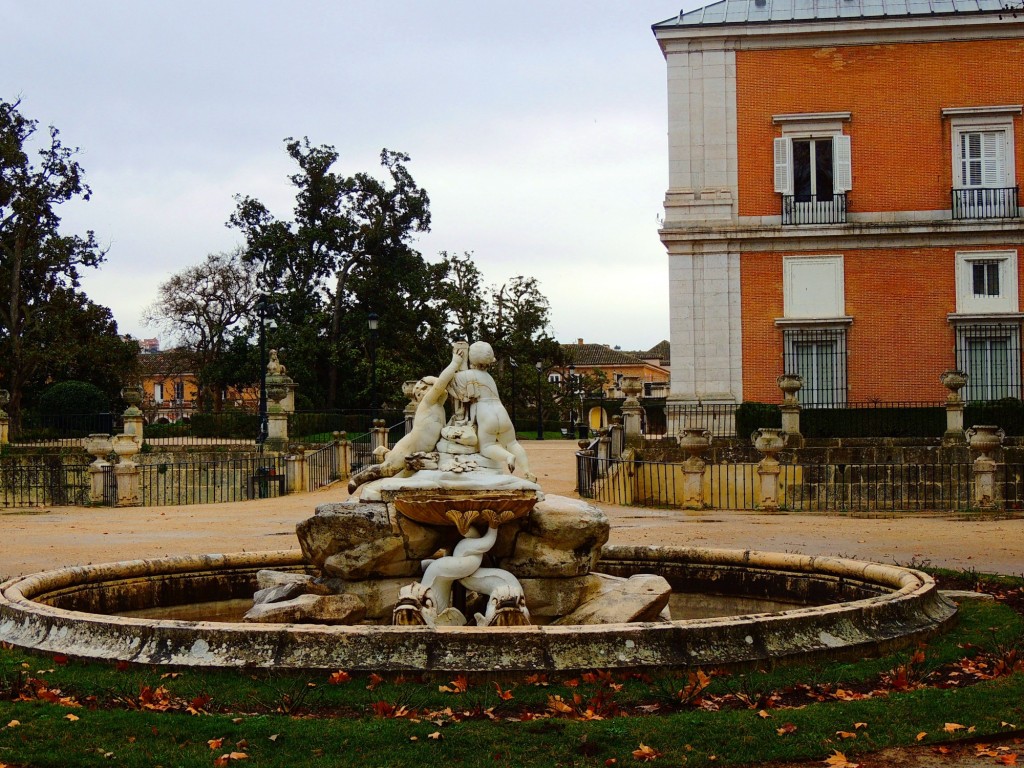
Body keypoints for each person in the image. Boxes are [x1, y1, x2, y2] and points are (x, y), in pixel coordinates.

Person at [348, 342, 468, 493]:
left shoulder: (438, 405)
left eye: (423, 389)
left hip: (419, 450)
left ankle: (384, 454)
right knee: (388, 469)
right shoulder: (427, 403)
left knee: (401, 475)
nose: (420, 393)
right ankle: (358, 479)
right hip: (408, 447)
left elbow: (443, 391)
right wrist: (455, 363)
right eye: (418, 393)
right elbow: (441, 384)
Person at [449, 341, 536, 482]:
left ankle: (508, 457)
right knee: (513, 443)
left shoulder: (467, 375)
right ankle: (527, 471)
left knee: (487, 446)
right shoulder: (489, 377)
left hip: (485, 413)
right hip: (500, 411)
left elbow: (448, 383)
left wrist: (456, 362)